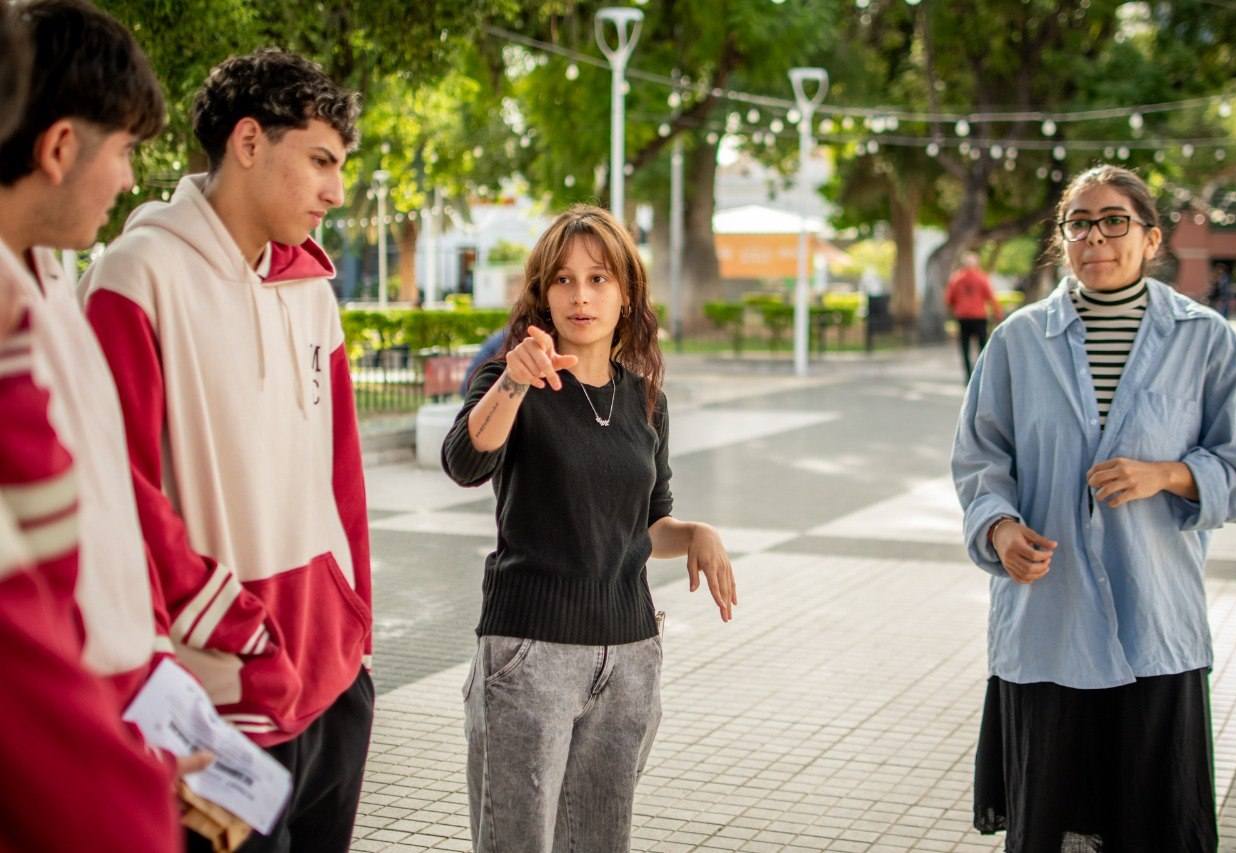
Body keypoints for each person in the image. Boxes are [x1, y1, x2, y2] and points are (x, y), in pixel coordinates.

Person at [81, 48, 374, 853]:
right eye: (320, 160)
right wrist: (240, 631)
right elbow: (120, 495)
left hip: (334, 681)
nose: (335, 191)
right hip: (218, 697)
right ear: (249, 142)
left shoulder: (312, 288)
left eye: (340, 167)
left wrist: (358, 628)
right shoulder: (133, 276)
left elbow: (342, 475)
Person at [952, 164, 1236, 852]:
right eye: (1079, 223)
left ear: (1151, 237)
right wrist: (999, 527)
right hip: (1048, 623)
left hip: (1153, 623)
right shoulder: (1017, 342)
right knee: (1051, 829)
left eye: (1114, 220)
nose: (1096, 236)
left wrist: (1168, 473)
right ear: (1063, 239)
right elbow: (980, 460)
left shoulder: (1204, 339)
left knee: (1152, 827)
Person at [442, 204, 738, 853]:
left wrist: (694, 535)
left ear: (626, 293)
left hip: (629, 653)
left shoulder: (645, 398)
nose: (581, 296)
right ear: (543, 293)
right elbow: (465, 460)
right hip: (531, 652)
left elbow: (650, 521)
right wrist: (516, 381)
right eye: (564, 280)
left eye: (599, 279)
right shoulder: (512, 379)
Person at [0, 2, 182, 849]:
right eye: (125, 151)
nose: (130, 180)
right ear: (60, 147)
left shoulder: (49, 280)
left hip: (118, 705)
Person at [945, 251, 1003, 381]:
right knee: (982, 347)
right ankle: (983, 374)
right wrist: (998, 313)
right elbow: (991, 297)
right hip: (979, 317)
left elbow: (949, 299)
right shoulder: (981, 278)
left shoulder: (956, 278)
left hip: (963, 317)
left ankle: (968, 376)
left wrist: (956, 309)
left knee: (965, 348)